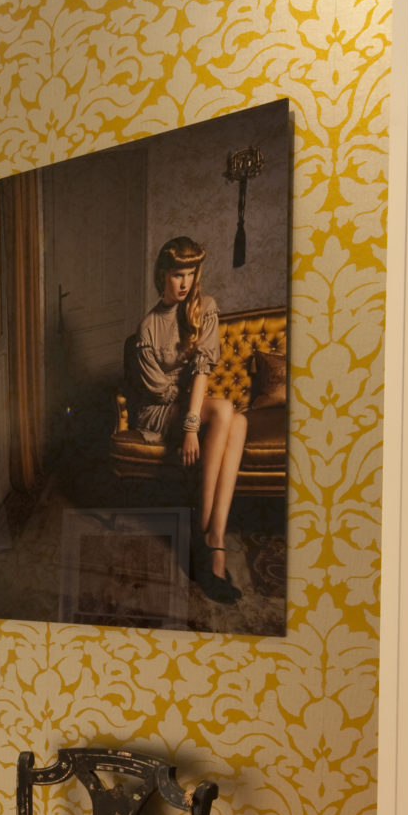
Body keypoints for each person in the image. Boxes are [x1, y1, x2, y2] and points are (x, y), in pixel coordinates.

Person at [131, 236, 246, 602]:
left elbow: (201, 371)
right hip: (158, 409)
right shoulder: (148, 327)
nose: (185, 283)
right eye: (177, 274)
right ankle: (203, 536)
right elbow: (159, 391)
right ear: (162, 275)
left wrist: (192, 425)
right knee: (225, 409)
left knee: (239, 421)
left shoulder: (204, 308)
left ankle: (214, 536)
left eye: (191, 273)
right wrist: (190, 424)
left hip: (187, 406)